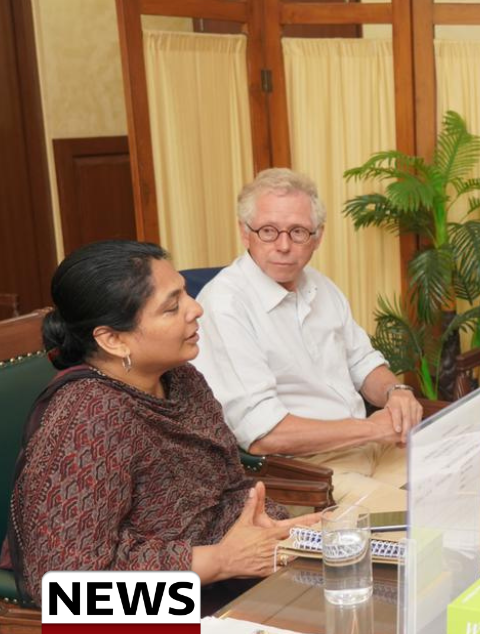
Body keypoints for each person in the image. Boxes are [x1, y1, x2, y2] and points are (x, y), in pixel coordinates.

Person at [3, 240, 319, 603]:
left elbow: (228, 489)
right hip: (134, 620)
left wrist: (268, 527)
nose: (196, 308)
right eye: (172, 307)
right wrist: (218, 561)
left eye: (185, 293)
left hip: (219, 581)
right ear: (113, 339)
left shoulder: (181, 378)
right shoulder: (89, 417)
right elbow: (67, 589)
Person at [192, 169, 422, 510]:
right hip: (305, 473)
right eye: (268, 231)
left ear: (318, 236)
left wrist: (395, 391)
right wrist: (371, 430)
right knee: (426, 516)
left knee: (462, 479)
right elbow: (264, 434)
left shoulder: (321, 285)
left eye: (298, 232)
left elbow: (363, 363)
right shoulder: (225, 303)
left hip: (369, 447)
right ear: (245, 232)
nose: (284, 246)